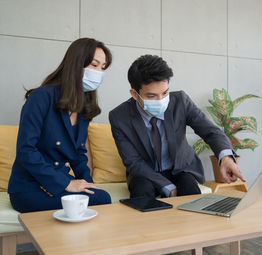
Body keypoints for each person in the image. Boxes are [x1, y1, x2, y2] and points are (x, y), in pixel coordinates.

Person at [109, 54, 245, 199]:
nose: (161, 100)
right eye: (151, 96)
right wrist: (168, 187)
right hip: (144, 173)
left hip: (180, 169)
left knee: (190, 191)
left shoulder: (180, 101)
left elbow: (210, 131)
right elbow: (133, 162)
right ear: (135, 94)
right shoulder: (119, 117)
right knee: (142, 192)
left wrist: (226, 158)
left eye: (165, 92)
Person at [8, 38, 112, 213]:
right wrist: (67, 183)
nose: (99, 73)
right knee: (100, 200)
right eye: (94, 65)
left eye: (103, 68)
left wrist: (88, 184)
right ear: (76, 64)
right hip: (29, 187)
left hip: (59, 181)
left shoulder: (84, 106)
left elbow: (78, 154)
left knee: (99, 195)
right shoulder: (41, 98)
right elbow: (26, 151)